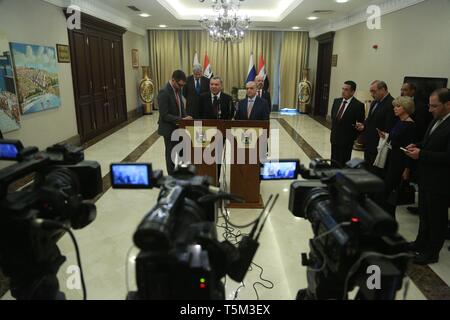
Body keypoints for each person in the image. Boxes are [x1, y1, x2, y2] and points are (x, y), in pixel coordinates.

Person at [405, 88, 450, 264]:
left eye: (434, 106)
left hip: (440, 182)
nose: (430, 109)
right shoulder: (436, 119)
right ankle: (420, 243)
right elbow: (428, 142)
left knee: (436, 218)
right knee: (424, 214)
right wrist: (416, 145)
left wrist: (421, 154)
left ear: (448, 104)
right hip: (426, 178)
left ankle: (432, 253)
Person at [377, 96, 416, 218]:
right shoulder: (399, 121)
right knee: (387, 192)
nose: (395, 108)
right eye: (395, 106)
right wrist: (386, 136)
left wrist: (407, 169)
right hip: (392, 158)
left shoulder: (410, 125)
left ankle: (389, 219)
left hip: (400, 162)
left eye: (398, 106)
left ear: (406, 108)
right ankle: (386, 217)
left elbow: (409, 148)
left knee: (390, 192)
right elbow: (396, 139)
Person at [355, 80, 397, 177]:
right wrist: (363, 126)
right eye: (371, 91)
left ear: (382, 90)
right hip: (369, 144)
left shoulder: (391, 104)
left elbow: (389, 127)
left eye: (373, 91)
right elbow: (369, 119)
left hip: (379, 146)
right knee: (367, 170)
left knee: (375, 174)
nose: (371, 94)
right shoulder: (374, 103)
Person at [158, 70, 193, 175]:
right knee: (171, 156)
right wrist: (181, 120)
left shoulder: (178, 89)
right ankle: (172, 179)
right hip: (169, 130)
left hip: (179, 128)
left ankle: (182, 176)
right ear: (173, 80)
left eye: (183, 85)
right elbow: (164, 115)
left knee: (183, 154)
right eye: (180, 85)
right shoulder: (164, 92)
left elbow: (181, 106)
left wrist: (185, 116)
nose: (181, 87)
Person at [330, 81, 365, 167]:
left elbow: (360, 125)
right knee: (333, 161)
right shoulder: (336, 101)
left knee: (343, 164)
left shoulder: (358, 105)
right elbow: (333, 118)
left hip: (346, 142)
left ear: (352, 92)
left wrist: (352, 138)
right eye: (343, 88)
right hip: (334, 138)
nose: (343, 91)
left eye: (346, 89)